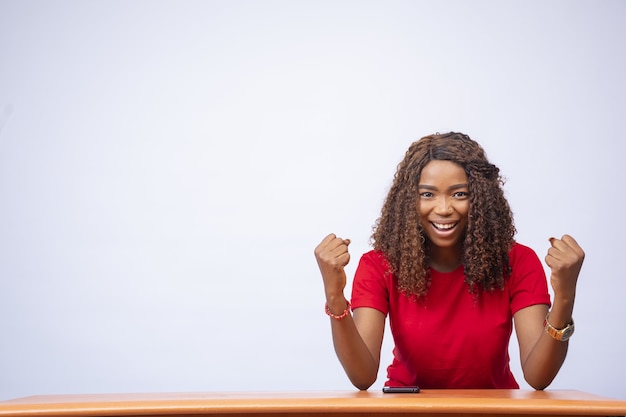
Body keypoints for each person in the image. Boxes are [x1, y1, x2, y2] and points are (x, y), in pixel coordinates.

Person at [314, 132, 584, 391]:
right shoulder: (380, 265)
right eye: (427, 194)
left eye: (459, 194)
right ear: (408, 200)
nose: (443, 209)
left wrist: (564, 296)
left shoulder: (517, 261)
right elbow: (362, 376)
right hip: (409, 411)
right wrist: (335, 295)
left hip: (493, 412)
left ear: (481, 198)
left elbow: (539, 377)